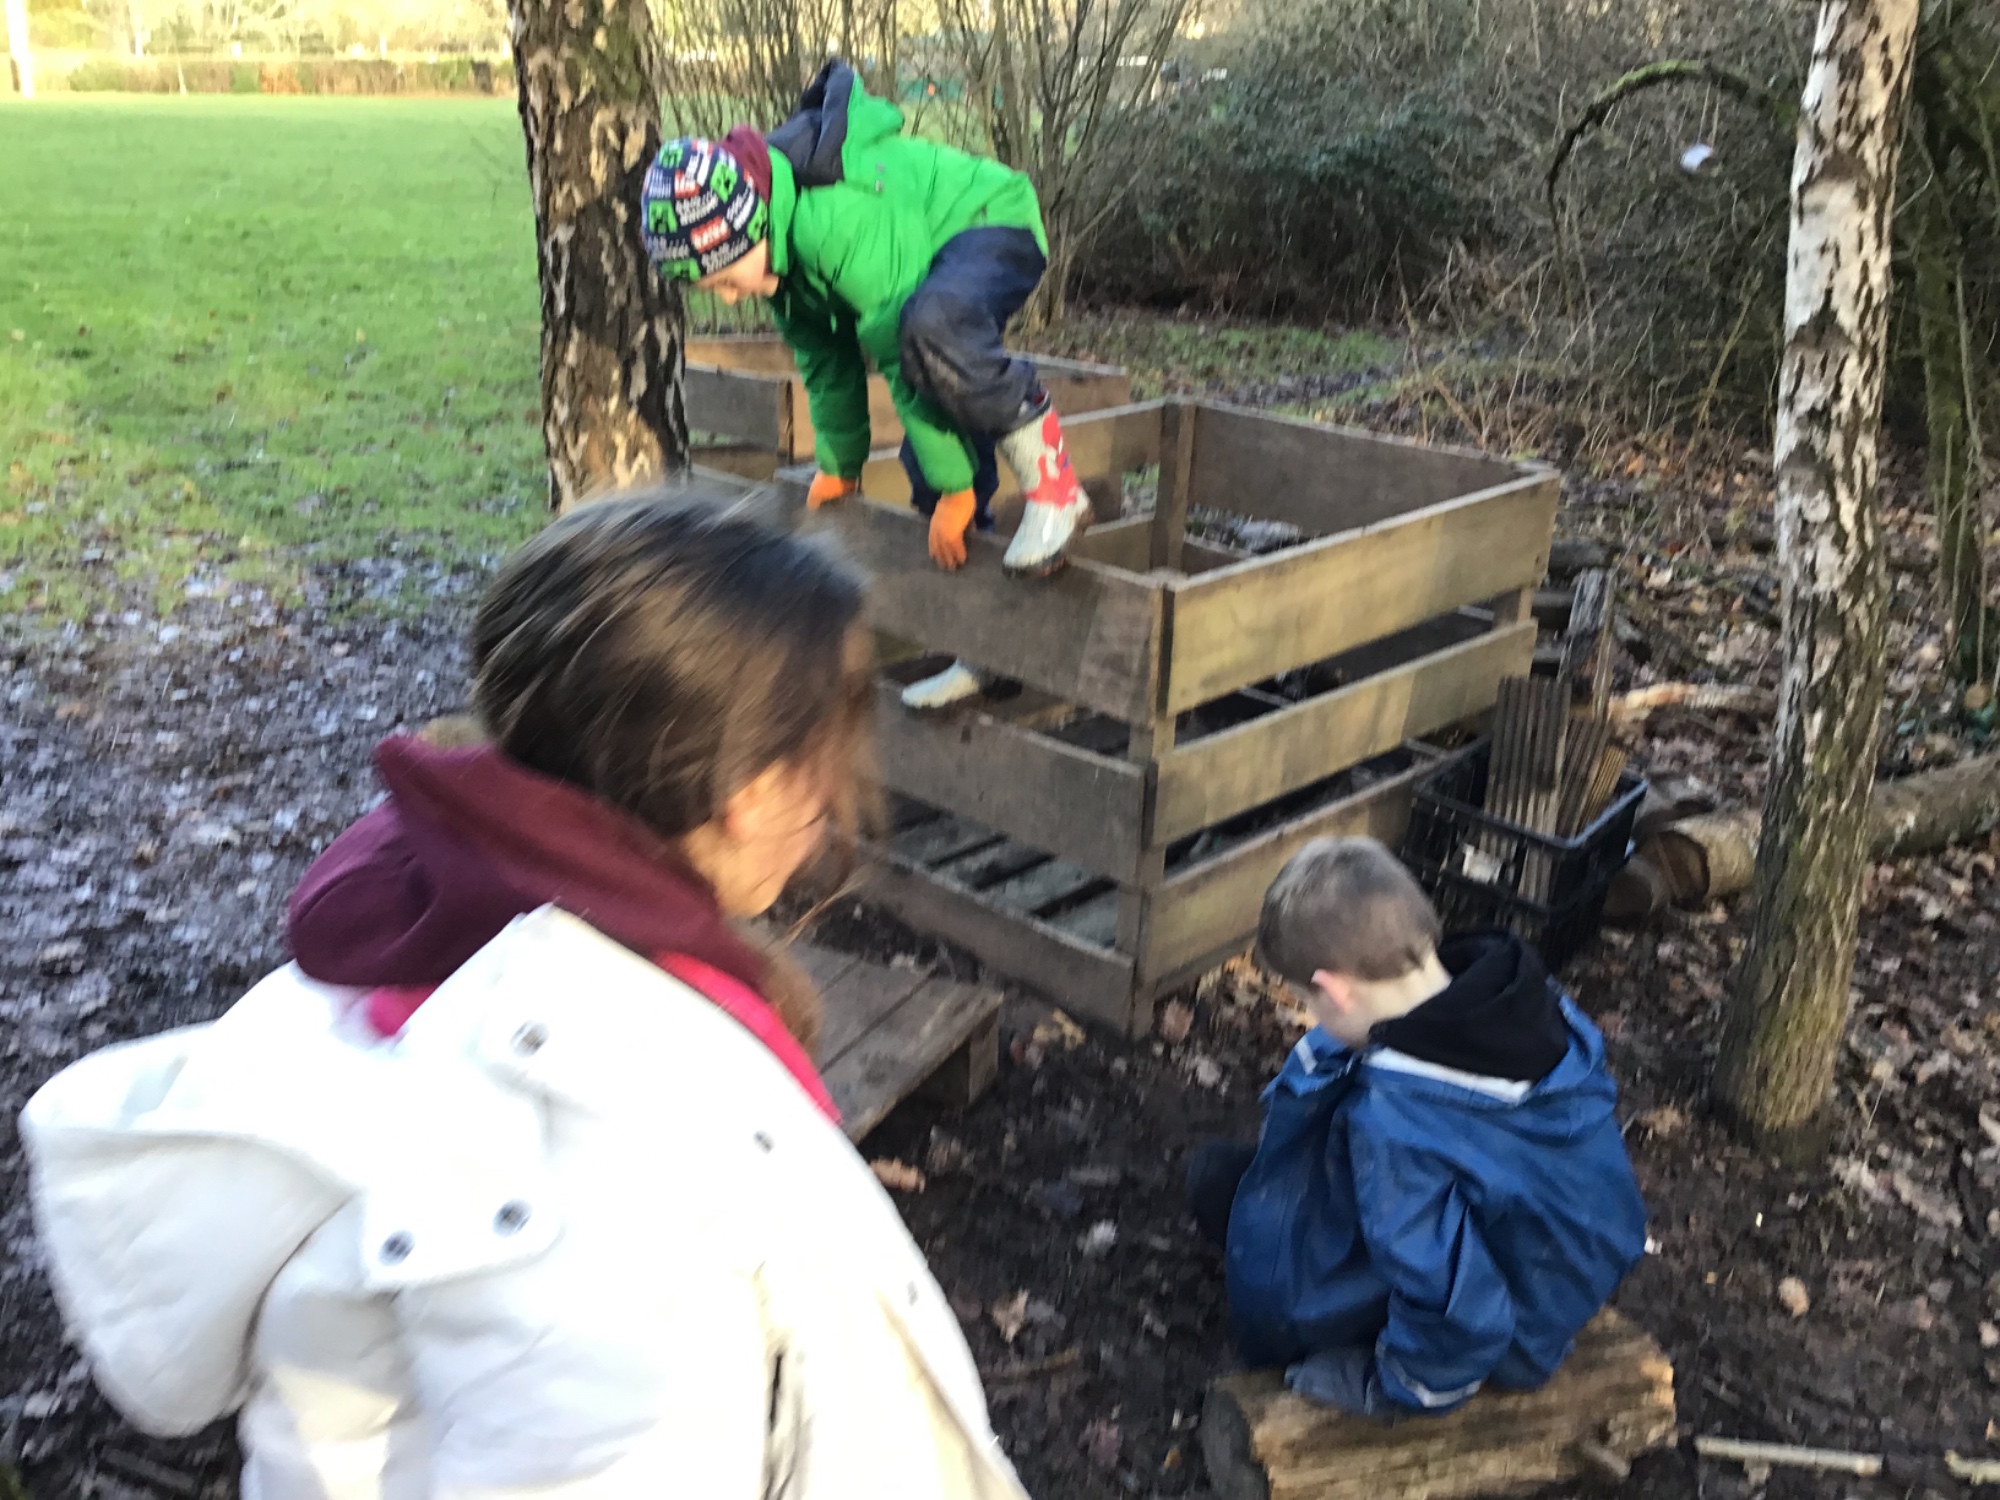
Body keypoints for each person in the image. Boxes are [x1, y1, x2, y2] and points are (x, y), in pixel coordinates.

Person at [22, 493, 1033, 1500]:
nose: (833, 796)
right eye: (826, 760)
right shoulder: (599, 1159)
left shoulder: (420, 925)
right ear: (754, 791)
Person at [641, 58, 1086, 711]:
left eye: (726, 279)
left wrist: (958, 488)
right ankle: (987, 649)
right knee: (927, 466)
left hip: (989, 222)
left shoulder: (831, 220)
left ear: (748, 227)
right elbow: (828, 365)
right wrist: (840, 465)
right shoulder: (782, 266)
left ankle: (1056, 488)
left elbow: (896, 346)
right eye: (715, 290)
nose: (731, 298)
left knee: (930, 334)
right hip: (925, 275)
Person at [1185, 837, 1647, 1419]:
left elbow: (1455, 1307)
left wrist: (1392, 1386)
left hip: (1512, 1329)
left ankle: (1392, 1367)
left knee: (1224, 1194)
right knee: (1235, 1182)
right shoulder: (1525, 1001)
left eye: (1309, 1003)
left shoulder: (1395, 1127)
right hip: (1559, 1261)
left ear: (1335, 991)